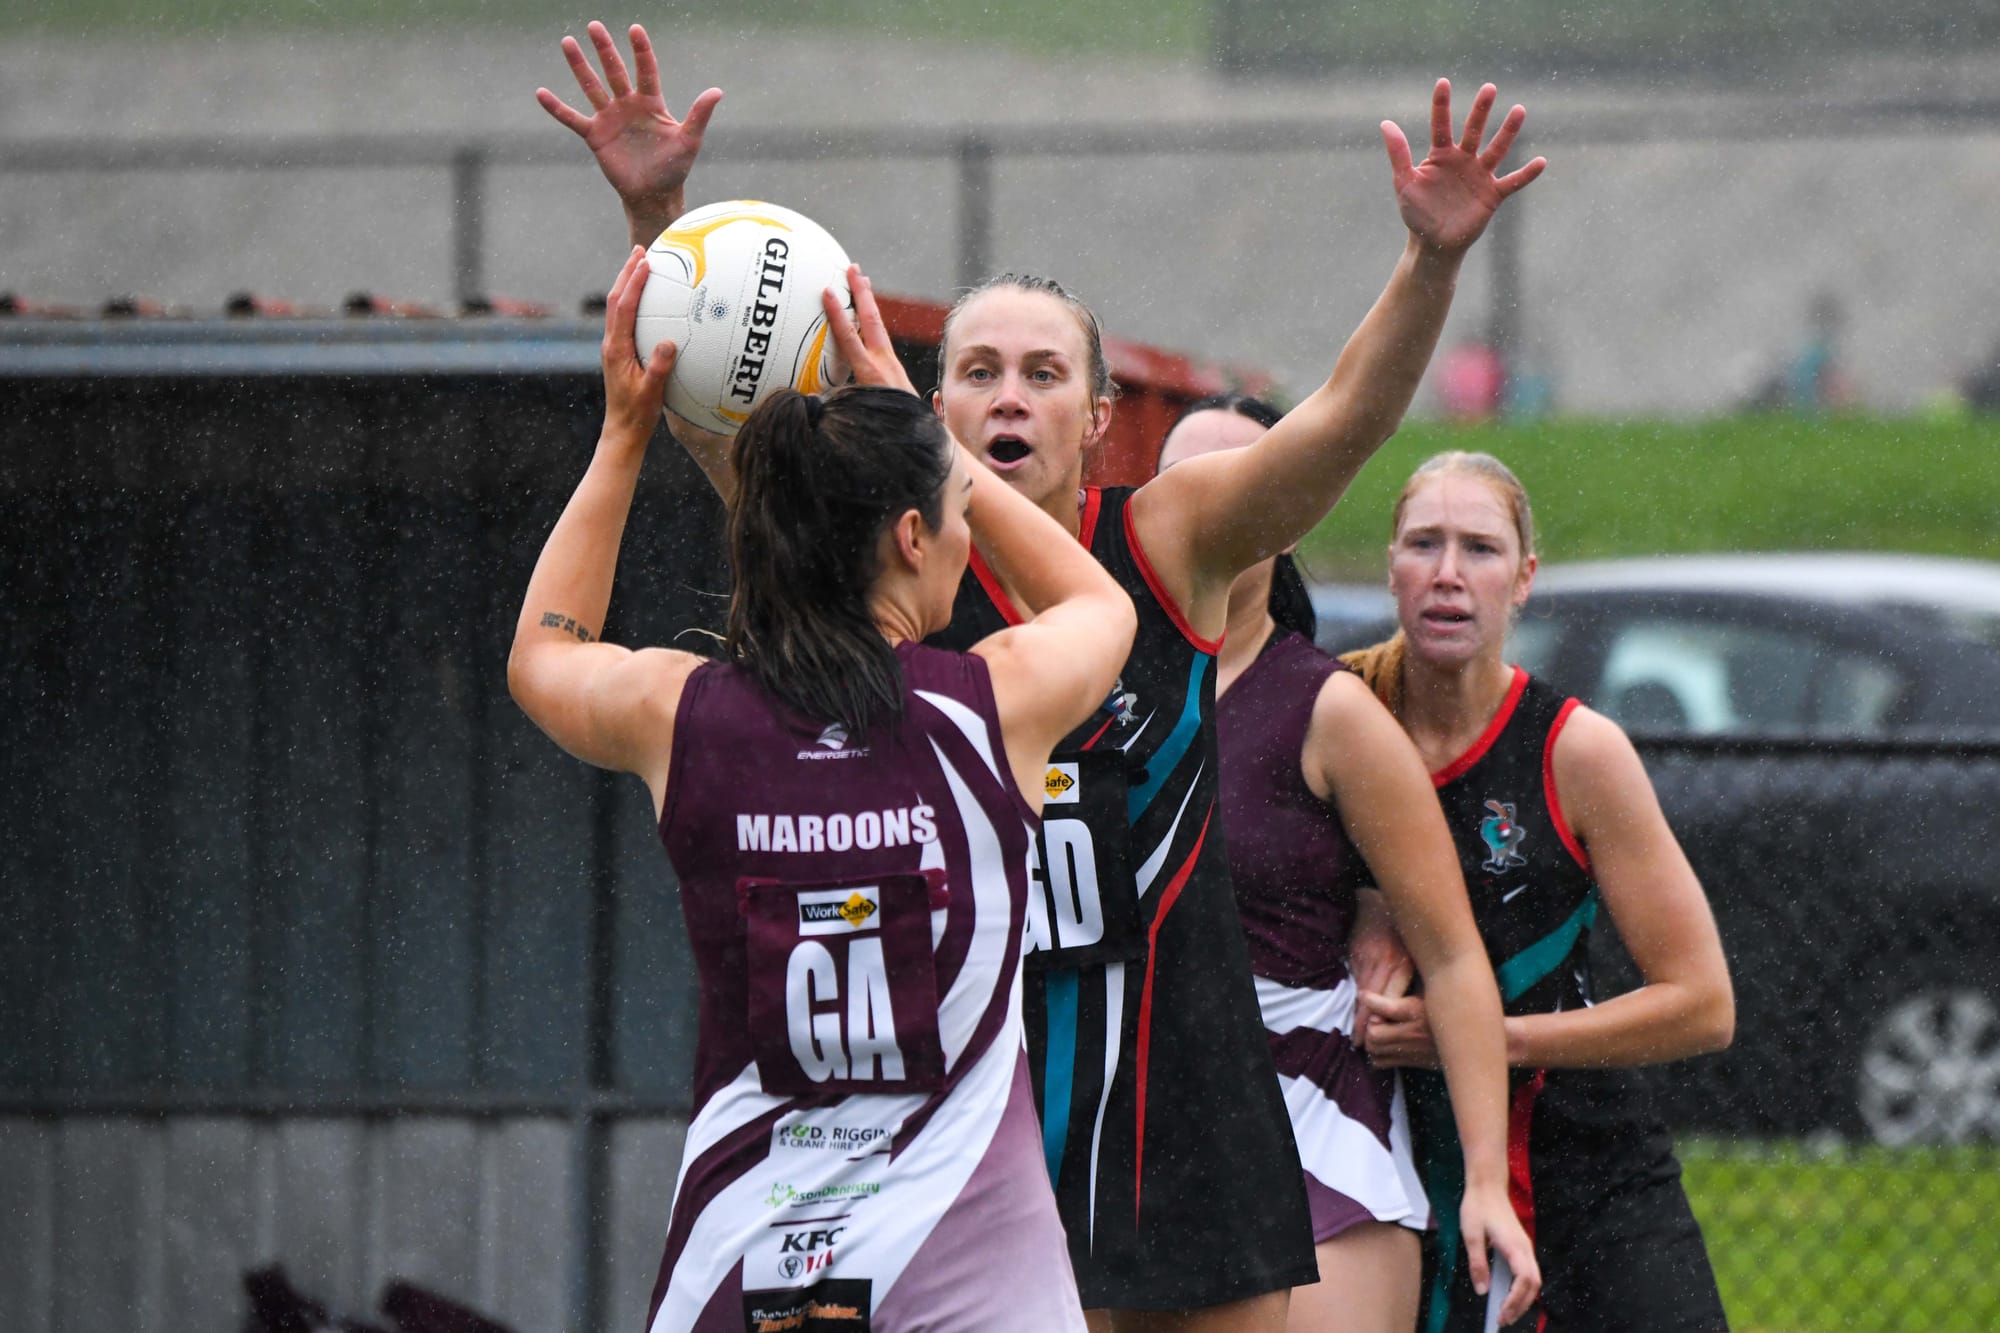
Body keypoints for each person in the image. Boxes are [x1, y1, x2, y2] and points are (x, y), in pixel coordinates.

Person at [538, 26, 1544, 1329]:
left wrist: (1431, 261)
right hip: (967, 1100)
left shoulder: (1166, 543)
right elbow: (741, 456)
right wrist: (664, 227)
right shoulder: (893, 576)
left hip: (1170, 1086)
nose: (1008, 395)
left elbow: (1342, 422)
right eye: (974, 371)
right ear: (930, 405)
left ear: (1095, 410)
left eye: (1041, 371)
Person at [507, 247, 1137, 1331]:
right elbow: (1099, 604)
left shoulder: (684, 715)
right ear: (909, 537)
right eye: (949, 510)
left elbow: (542, 651)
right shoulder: (990, 706)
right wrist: (917, 419)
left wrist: (621, 435)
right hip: (971, 1253)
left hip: (752, 1249)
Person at [1159, 397, 1539, 1332]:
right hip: (1129, 1119)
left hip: (1306, 1124)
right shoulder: (1080, 678)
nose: (1216, 510)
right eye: (1187, 487)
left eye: (1248, 486)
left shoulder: (1329, 710)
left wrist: (1486, 1181)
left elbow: (1453, 955)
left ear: (1289, 517)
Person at [1341, 451, 1735, 1332]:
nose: (1448, 574)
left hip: (1591, 1165)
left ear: (1523, 580)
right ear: (1390, 569)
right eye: (1424, 544)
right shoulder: (1340, 719)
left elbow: (1703, 1003)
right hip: (1396, 1167)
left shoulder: (1575, 749)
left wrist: (1481, 1036)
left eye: (1479, 549)